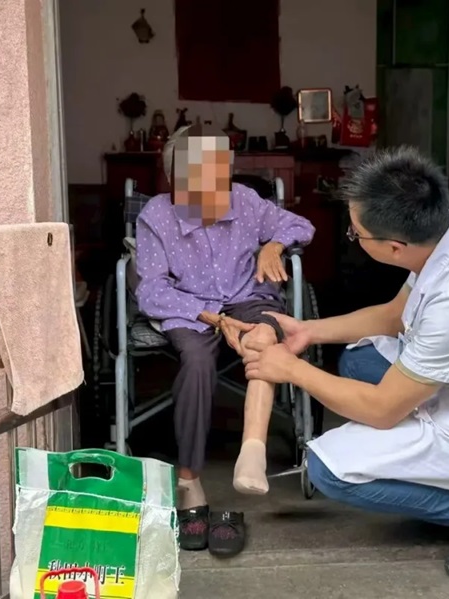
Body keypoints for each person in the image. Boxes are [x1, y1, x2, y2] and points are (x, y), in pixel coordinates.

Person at [242, 146, 449, 582]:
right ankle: (428, 462)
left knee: (331, 469)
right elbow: (395, 315)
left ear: (395, 247)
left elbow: (382, 410)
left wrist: (289, 370)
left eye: (357, 233)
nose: (353, 236)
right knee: (359, 360)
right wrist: (308, 331)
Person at [135, 124, 315, 556]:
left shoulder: (245, 201)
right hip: (191, 307)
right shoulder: (156, 216)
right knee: (197, 363)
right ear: (175, 180)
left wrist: (273, 244)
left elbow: (301, 225)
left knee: (264, 336)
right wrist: (215, 319)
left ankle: (251, 451)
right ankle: (189, 481)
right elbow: (151, 290)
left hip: (247, 298)